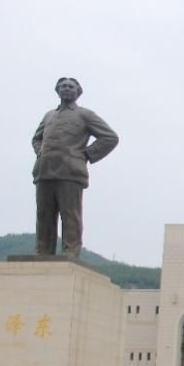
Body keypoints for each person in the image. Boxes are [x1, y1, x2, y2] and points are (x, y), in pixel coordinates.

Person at [31, 77, 119, 258]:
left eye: (71, 87)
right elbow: (36, 138)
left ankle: (70, 251)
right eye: (63, 86)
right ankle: (43, 251)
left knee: (70, 214)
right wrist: (40, 152)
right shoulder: (49, 116)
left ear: (78, 92)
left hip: (70, 171)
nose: (66, 89)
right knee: (44, 215)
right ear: (57, 90)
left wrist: (86, 155)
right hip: (44, 170)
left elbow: (110, 137)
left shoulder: (85, 115)